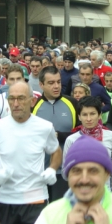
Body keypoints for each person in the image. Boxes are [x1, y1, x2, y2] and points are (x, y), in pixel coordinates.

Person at [0, 82, 62, 224]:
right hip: (7, 198)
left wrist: (52, 169)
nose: (16, 103)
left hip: (35, 197)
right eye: (12, 98)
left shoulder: (44, 127)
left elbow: (56, 151)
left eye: (21, 98)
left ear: (32, 101)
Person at [34, 135, 112, 224]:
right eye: (76, 171)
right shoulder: (49, 216)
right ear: (68, 175)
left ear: (107, 174)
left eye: (93, 171)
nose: (84, 179)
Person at [32, 66, 79, 202]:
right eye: (51, 83)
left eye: (58, 82)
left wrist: (60, 135)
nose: (56, 86)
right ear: (41, 85)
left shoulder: (71, 102)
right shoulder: (34, 106)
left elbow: (81, 131)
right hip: (40, 171)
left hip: (66, 171)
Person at [63, 96, 112, 196]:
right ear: (79, 116)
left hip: (105, 194)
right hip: (79, 195)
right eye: (84, 114)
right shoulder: (71, 140)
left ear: (100, 115)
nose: (88, 119)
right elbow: (65, 169)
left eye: (92, 114)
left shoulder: (111, 136)